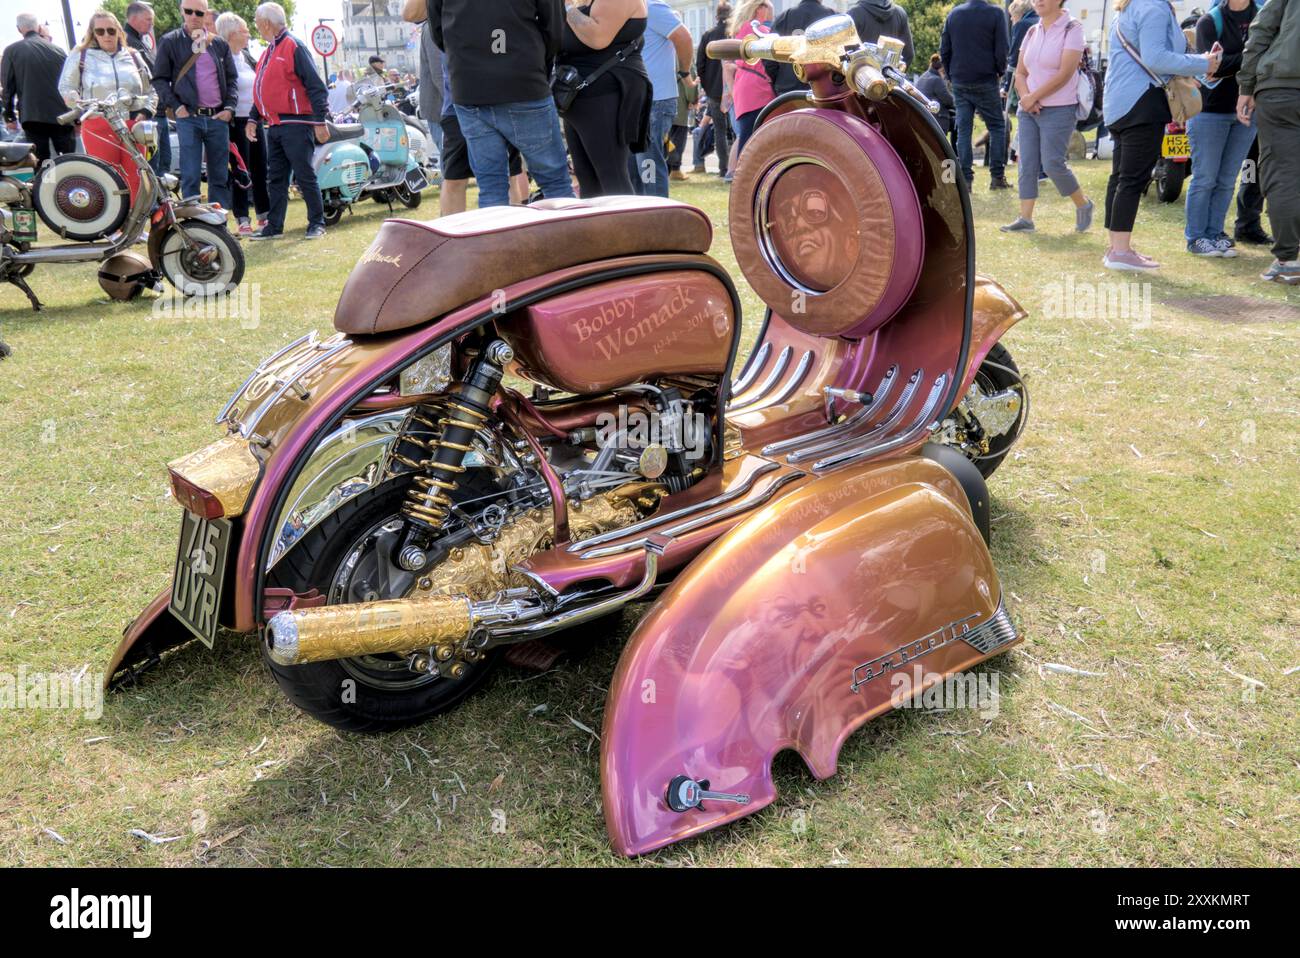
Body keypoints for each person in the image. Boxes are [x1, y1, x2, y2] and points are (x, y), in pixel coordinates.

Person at [1101, 0, 1219, 270]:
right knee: (1132, 179)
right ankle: (1119, 251)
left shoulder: (1129, 7)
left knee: (1121, 177)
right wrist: (1202, 62)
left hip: (1120, 102)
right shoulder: (1153, 8)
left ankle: (1117, 247)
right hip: (1142, 101)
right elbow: (1156, 58)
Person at [430, 0, 575, 207]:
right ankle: (567, 238)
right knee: (555, 182)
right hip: (521, 81)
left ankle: (500, 238)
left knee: (491, 187)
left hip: (471, 84)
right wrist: (536, 64)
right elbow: (554, 27)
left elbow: (438, 30)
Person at [1000, 0, 1094, 234]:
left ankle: (1083, 204)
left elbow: (1065, 73)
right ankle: (1025, 218)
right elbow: (1021, 72)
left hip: (1059, 108)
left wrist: (1034, 97)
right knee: (1027, 163)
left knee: (1052, 163)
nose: (1037, 1)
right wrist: (1026, 98)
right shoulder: (1032, 30)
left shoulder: (1073, 28)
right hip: (1028, 108)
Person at [247, 2, 329, 240]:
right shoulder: (267, 52)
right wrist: (253, 117)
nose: (256, 27)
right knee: (277, 178)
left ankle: (317, 223)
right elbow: (261, 92)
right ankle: (274, 226)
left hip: (296, 124)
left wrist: (320, 121)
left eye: (257, 22)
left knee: (304, 175)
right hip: (274, 126)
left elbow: (316, 86)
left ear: (266, 23)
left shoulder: (293, 46)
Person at [1183, 0, 1258, 257]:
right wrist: (1252, 55)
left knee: (1227, 179)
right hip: (1210, 111)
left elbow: (1267, 57)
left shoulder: (1263, 16)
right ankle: (1196, 237)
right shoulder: (1209, 21)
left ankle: (1215, 233)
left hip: (1247, 110)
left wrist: (1233, 60)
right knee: (1205, 178)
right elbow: (1212, 67)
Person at [555, 0, 651, 198]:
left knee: (613, 177)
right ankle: (597, 229)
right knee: (588, 178)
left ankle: (629, 228)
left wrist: (566, 8)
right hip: (578, 97)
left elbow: (598, 37)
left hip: (603, 94)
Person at [57, 11, 154, 204]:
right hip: (97, 123)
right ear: (93, 33)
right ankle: (114, 227)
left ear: (119, 31)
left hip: (132, 125)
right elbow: (66, 87)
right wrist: (79, 103)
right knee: (107, 178)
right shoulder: (80, 55)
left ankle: (135, 227)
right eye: (100, 31)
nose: (106, 35)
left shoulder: (134, 56)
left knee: (138, 176)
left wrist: (145, 111)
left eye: (111, 30)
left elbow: (152, 89)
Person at [152, 0, 238, 212]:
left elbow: (232, 79)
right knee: (190, 175)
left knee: (219, 175)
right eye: (188, 11)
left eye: (198, 12)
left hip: (217, 117)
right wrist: (176, 106)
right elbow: (159, 79)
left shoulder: (218, 44)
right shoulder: (170, 41)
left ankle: (219, 224)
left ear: (205, 14)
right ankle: (194, 225)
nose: (193, 16)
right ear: (182, 12)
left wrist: (229, 108)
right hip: (188, 117)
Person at [1237, 0, 1300, 283]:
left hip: (1282, 87)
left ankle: (1288, 260)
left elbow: (1261, 30)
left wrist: (1246, 86)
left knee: (1282, 173)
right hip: (1282, 86)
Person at [941, 0, 1012, 189]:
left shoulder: (954, 14)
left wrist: (950, 75)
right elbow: (1002, 48)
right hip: (985, 78)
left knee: (964, 130)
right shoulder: (996, 14)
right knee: (997, 126)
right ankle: (997, 177)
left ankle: (966, 180)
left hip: (960, 79)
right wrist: (999, 71)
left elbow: (945, 49)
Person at [629, 0, 692, 196]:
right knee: (635, 168)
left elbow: (683, 37)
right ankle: (642, 219)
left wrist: (684, 72)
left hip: (655, 100)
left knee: (648, 167)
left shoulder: (652, 6)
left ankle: (657, 220)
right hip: (638, 99)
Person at [215, 11, 268, 235]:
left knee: (260, 167)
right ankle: (242, 218)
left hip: (254, 118)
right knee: (241, 171)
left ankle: (265, 215)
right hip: (235, 122)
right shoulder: (220, 58)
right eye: (245, 30)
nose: (249, 34)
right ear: (233, 33)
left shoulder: (246, 57)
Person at [2, 13, 76, 162]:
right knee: (69, 161)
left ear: (19, 29)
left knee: (41, 162)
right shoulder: (58, 50)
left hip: (32, 114)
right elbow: (71, 83)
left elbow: (8, 86)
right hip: (62, 114)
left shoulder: (12, 51)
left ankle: (47, 183)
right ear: (39, 27)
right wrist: (76, 117)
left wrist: (9, 115)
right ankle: (70, 184)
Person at [124, 2, 170, 176]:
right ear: (134, 18)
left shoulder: (137, 41)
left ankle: (160, 202)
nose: (152, 24)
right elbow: (149, 77)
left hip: (155, 109)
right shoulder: (128, 43)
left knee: (161, 163)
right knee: (153, 165)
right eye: (148, 20)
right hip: (146, 113)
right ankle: (154, 203)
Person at [726, 1, 774, 159]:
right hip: (757, 89)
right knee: (754, 141)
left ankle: (742, 179)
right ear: (760, 9)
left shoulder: (743, 29)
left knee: (747, 139)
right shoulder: (758, 30)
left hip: (744, 87)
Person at [764, 0, 835, 97]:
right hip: (824, 90)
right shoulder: (832, 17)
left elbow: (768, 56)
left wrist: (779, 81)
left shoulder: (784, 18)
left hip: (788, 92)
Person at [695, 2, 733, 178]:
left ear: (716, 16)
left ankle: (724, 168)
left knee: (720, 130)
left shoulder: (708, 35)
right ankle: (735, 167)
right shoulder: (734, 33)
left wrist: (708, 87)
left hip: (714, 90)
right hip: (734, 88)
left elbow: (700, 65)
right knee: (736, 130)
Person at [848, 0, 914, 69]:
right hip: (889, 76)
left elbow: (846, 54)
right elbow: (908, 54)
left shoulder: (854, 14)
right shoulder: (900, 12)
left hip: (862, 76)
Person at [916, 53, 957, 141]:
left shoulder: (923, 76)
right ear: (941, 69)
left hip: (923, 118)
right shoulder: (936, 80)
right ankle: (956, 152)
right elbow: (949, 101)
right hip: (937, 120)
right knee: (960, 122)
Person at [668, 71, 698, 181]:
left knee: (666, 138)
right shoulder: (684, 60)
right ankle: (675, 169)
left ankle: (667, 167)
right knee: (678, 140)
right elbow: (689, 83)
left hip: (663, 103)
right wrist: (693, 100)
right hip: (679, 106)